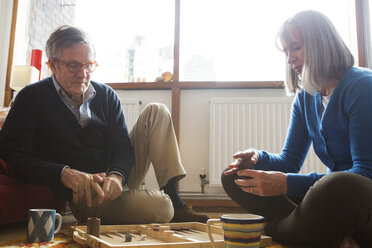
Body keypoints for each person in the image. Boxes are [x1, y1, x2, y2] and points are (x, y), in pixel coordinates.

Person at [0, 25, 209, 224]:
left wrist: (117, 176)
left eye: (88, 65)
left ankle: (177, 202)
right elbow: (12, 155)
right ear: (53, 65)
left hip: (113, 179)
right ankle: (166, 204)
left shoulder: (106, 95)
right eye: (73, 65)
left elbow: (122, 147)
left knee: (157, 111)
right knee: (163, 207)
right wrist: (62, 173)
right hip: (85, 194)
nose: (83, 74)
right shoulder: (30, 97)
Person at [221, 10, 372, 248]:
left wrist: (286, 184)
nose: (290, 59)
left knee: (335, 185)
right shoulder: (305, 97)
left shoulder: (363, 87)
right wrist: (258, 158)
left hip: (358, 198)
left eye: (296, 48)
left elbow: (365, 174)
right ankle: (325, 237)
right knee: (235, 177)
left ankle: (273, 230)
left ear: (320, 45)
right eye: (286, 52)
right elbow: (289, 161)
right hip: (332, 200)